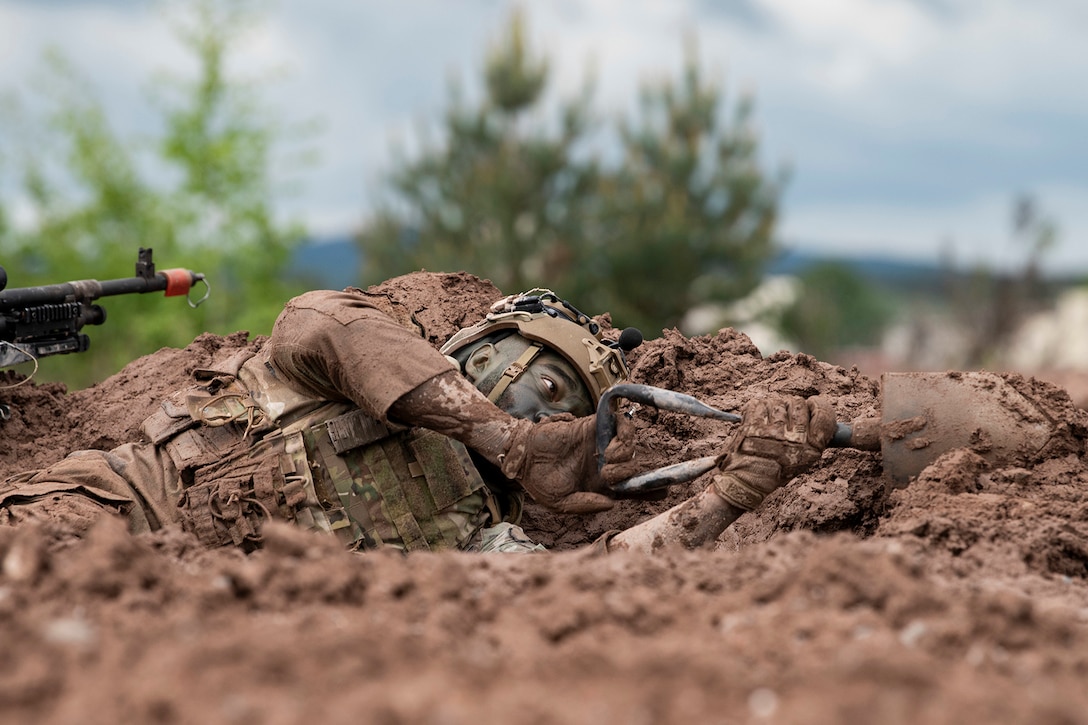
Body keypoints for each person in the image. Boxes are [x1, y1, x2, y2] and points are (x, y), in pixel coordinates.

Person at [0, 275, 837, 555]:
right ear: (470, 346)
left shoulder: (488, 530)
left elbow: (597, 582)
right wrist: (506, 438)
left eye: (558, 399)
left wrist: (731, 493)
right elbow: (318, 319)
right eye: (516, 369)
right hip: (111, 508)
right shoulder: (367, 354)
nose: (523, 392)